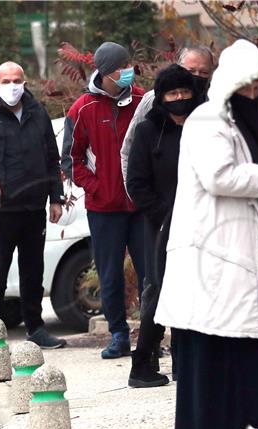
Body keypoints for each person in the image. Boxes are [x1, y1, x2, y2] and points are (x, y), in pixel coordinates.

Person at [154, 39, 258, 429]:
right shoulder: (209, 120)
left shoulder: (241, 124)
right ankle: (227, 427)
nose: (253, 95)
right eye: (245, 87)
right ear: (228, 86)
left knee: (249, 338)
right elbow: (220, 175)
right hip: (214, 255)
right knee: (218, 345)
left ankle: (248, 422)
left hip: (236, 253)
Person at [64, 41, 146, 359]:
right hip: (104, 208)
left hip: (140, 206)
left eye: (128, 65)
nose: (127, 72)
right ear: (105, 73)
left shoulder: (142, 101)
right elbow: (71, 159)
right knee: (110, 274)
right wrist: (95, 187)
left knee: (150, 272)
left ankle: (151, 335)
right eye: (119, 69)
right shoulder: (82, 108)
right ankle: (119, 335)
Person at [0, 61, 67, 350]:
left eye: (18, 80)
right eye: (6, 81)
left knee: (33, 272)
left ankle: (36, 327)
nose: (13, 86)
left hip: (33, 208)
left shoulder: (37, 112)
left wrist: (56, 197)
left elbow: (52, 159)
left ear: (25, 82)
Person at [125, 64, 202, 387]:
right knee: (160, 293)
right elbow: (137, 183)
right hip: (161, 226)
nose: (180, 98)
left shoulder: (203, 126)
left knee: (195, 293)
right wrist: (162, 216)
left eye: (184, 92)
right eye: (173, 93)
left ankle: (186, 365)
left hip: (201, 223)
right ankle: (142, 364)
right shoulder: (147, 131)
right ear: (162, 97)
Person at [120, 45, 215, 182]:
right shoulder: (152, 100)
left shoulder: (214, 104)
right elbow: (129, 150)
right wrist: (135, 193)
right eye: (191, 71)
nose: (196, 76)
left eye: (204, 72)